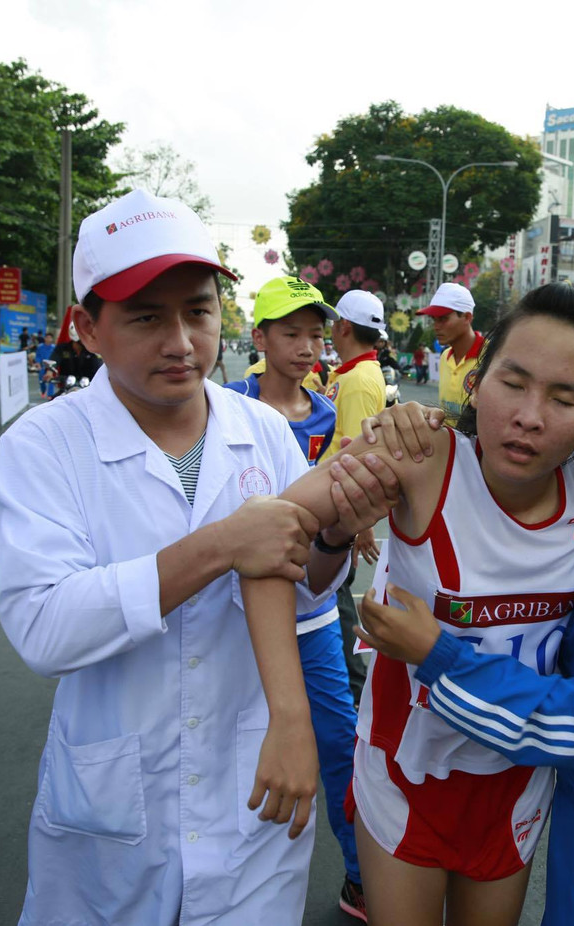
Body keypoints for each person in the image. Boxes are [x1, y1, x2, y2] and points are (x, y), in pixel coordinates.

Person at [0, 190, 393, 925]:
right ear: (88, 328)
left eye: (198, 312)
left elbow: (303, 596)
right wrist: (218, 547)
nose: (181, 341)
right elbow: (46, 628)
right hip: (113, 808)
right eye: (147, 317)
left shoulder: (262, 432)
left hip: (252, 793)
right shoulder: (44, 446)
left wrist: (333, 538)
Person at [270, 284, 574, 926]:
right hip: (406, 774)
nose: (530, 416)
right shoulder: (416, 454)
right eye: (513, 383)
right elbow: (266, 536)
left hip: (518, 781)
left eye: (565, 397)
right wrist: (287, 715)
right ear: (477, 380)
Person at [223, 275, 367, 920]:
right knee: (234, 741)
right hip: (239, 615)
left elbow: (327, 490)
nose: (308, 346)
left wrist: (346, 523)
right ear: (259, 338)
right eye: (291, 333)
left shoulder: (327, 410)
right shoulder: (224, 404)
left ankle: (362, 876)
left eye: (315, 333)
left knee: (337, 741)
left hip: (313, 606)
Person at [320, 289, 390, 704]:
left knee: (337, 596)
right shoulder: (350, 373)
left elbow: (358, 453)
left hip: (339, 508)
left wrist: (361, 524)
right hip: (332, 502)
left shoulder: (360, 380)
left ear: (343, 326)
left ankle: (353, 686)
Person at [418, 282, 481, 426]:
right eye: (434, 319)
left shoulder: (491, 357)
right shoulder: (445, 357)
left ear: (467, 317)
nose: (436, 326)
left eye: (443, 319)